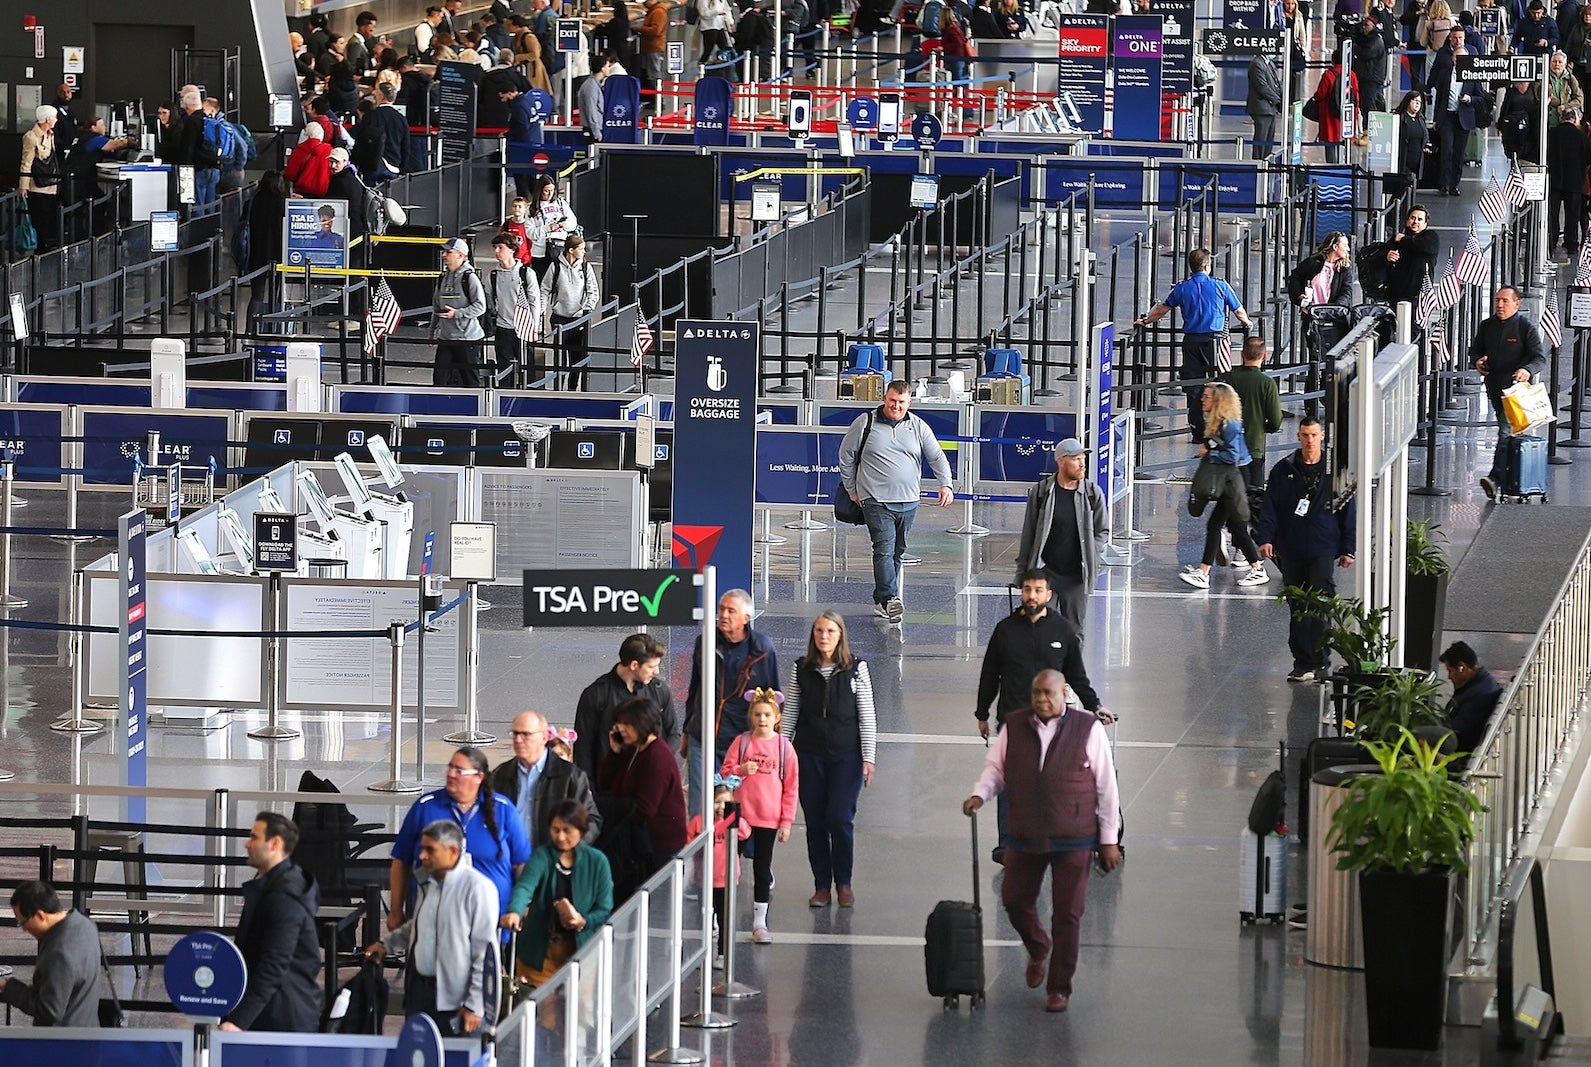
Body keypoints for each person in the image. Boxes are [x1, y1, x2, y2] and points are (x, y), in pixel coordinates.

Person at [962, 670, 1121, 1014]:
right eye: (1036, 694)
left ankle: (1059, 988)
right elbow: (996, 770)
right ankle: (1038, 947)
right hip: (1025, 831)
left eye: (1048, 693)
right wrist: (980, 794)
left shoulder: (1088, 729)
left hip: (1074, 835)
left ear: (1064, 693)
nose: (1041, 700)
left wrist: (1109, 840)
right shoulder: (1014, 725)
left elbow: (1107, 788)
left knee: (1068, 914)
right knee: (1014, 899)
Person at [975, 569, 1112, 861]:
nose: (1032, 596)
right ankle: (1007, 843)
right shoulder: (1005, 630)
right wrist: (982, 713)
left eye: (1038, 590)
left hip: (1053, 723)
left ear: (1049, 596)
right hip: (1013, 719)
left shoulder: (1062, 630)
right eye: (1027, 590)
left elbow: (1076, 674)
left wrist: (1095, 705)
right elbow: (990, 674)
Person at [837, 380, 956, 623]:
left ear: (909, 402)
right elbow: (846, 457)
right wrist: (852, 490)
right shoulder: (865, 423)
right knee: (883, 548)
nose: (896, 406)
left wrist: (946, 484)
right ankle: (891, 598)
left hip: (909, 501)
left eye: (901, 402)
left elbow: (936, 457)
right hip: (875, 500)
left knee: (898, 552)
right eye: (892, 401)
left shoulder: (918, 426)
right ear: (884, 398)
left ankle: (882, 601)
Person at [781, 610, 875, 908]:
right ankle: (821, 885)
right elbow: (790, 715)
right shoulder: (801, 669)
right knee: (816, 822)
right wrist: (782, 753)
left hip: (846, 756)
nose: (824, 637)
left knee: (839, 817)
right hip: (808, 756)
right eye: (819, 631)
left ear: (840, 635)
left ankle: (843, 883)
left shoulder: (856, 668)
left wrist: (869, 758)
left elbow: (867, 716)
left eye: (830, 631)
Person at [370, 821, 498, 1035]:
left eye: (430, 850)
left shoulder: (477, 889)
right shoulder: (429, 882)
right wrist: (387, 945)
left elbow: (484, 954)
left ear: (453, 851)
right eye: (422, 849)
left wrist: (474, 1005)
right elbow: (422, 925)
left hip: (456, 1005)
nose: (422, 856)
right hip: (420, 995)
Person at [1254, 418, 1357, 683]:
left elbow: (1348, 510)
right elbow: (1270, 508)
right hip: (1291, 548)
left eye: (1314, 434)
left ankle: (1320, 660)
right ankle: (1302, 662)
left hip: (1323, 546)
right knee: (1297, 606)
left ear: (1322, 435)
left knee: (1320, 604)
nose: (1309, 440)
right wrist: (1266, 538)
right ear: (1298, 437)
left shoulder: (1335, 471)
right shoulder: (1283, 470)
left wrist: (1348, 548)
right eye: (1304, 435)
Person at [388, 746, 532, 928]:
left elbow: (522, 864)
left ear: (479, 777)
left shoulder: (503, 809)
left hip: (492, 921)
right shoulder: (426, 807)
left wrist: (520, 907)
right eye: (450, 768)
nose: (451, 774)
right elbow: (401, 860)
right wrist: (395, 911)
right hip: (434, 921)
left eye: (459, 770)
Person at [1134, 248, 1254, 444]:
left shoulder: (1182, 288)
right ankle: (1220, 429)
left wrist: (1145, 321)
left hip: (1191, 342)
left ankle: (1198, 431)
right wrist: (1247, 323)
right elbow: (1239, 311)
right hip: (1215, 342)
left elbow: (1162, 310)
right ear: (1207, 265)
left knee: (1194, 387)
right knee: (1221, 382)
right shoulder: (1220, 286)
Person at [218, 813, 321, 1034]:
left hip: (281, 1019)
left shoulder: (284, 897)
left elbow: (273, 966)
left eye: (254, 837)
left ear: (275, 844)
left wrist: (239, 1021)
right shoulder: (280, 883)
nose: (247, 844)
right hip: (275, 1012)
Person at [684, 589, 781, 817]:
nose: (724, 615)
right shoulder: (705, 642)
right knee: (700, 807)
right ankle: (702, 852)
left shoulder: (762, 649)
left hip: (741, 741)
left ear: (746, 618)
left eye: (731, 611)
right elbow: (695, 688)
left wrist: (771, 741)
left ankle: (731, 852)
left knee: (736, 805)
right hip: (703, 736)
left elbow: (774, 698)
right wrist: (687, 730)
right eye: (721, 609)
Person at [500, 800, 614, 986]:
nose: (560, 837)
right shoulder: (541, 856)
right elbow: (525, 886)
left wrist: (583, 921)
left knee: (582, 1010)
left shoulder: (598, 862)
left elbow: (604, 908)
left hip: (583, 952)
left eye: (567, 830)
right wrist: (515, 911)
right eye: (555, 830)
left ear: (582, 830)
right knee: (543, 1011)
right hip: (540, 953)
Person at [720, 689, 799, 944]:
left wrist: (786, 822)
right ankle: (717, 916)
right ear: (750, 717)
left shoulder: (784, 748)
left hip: (768, 817)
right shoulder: (742, 743)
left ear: (776, 718)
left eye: (767, 714)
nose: (762, 719)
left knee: (762, 867)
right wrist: (741, 770)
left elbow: (791, 788)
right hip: (739, 815)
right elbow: (724, 775)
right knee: (728, 866)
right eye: (757, 714)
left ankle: (759, 920)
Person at [595, 697, 690, 901]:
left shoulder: (657, 756)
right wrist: (615, 752)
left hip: (657, 848)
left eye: (625, 724)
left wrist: (612, 811)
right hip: (638, 844)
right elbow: (605, 784)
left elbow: (645, 808)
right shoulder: (634, 750)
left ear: (642, 724)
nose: (620, 729)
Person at [1012, 437, 1107, 634]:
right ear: (1061, 461)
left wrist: (1092, 553)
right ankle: (1047, 665)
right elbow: (1028, 535)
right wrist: (1022, 575)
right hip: (1047, 573)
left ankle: (1069, 666)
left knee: (1075, 632)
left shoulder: (1091, 493)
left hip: (1076, 577)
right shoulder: (1041, 492)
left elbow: (1102, 530)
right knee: (1042, 629)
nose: (1082, 464)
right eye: (1076, 459)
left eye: (1083, 459)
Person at [1179, 383, 1269, 591]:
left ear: (1218, 401)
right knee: (1233, 526)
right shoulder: (1220, 423)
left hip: (1235, 477)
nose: (1203, 399)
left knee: (1220, 525)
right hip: (1231, 477)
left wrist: (1208, 453)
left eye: (1207, 397)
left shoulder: (1229, 425)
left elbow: (1232, 456)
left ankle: (1205, 572)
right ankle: (1253, 567)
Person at [1471, 285, 1548, 500]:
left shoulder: (1525, 328)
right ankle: (1509, 479)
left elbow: (1539, 357)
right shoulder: (1487, 326)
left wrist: (1526, 370)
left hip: (1516, 393)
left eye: (1505, 301)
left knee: (1505, 429)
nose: (1500, 305)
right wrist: (1477, 361)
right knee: (1508, 431)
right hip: (1495, 388)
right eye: (1497, 300)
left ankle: (1495, 479)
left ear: (1517, 304)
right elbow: (1475, 349)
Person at [573, 633, 680, 781]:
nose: (657, 672)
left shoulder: (659, 690)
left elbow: (674, 733)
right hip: (609, 788)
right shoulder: (596, 694)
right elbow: (583, 748)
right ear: (634, 665)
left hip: (651, 783)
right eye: (651, 667)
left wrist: (659, 760)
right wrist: (588, 791)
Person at [491, 710, 602, 846]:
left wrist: (568, 852)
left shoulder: (570, 776)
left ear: (544, 738)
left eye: (525, 734)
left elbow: (591, 821)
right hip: (509, 861)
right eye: (515, 734)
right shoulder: (501, 775)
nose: (518, 740)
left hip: (552, 861)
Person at [0, 881, 102, 1027]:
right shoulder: (85, 924)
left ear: (41, 916)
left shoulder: (59, 953)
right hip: (87, 1031)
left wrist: (8, 986)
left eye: (23, 923)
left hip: (62, 1043)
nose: (24, 929)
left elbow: (49, 1011)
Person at [689, 782, 751, 962]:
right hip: (704, 879)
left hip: (727, 879)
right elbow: (689, 843)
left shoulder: (734, 823)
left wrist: (734, 818)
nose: (720, 807)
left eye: (725, 802)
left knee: (725, 919)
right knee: (705, 918)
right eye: (716, 802)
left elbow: (745, 833)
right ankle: (704, 953)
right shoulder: (699, 821)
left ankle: (723, 953)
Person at [1428, 27, 1491, 197]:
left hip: (1463, 118)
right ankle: (1444, 184)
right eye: (1457, 58)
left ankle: (1455, 184)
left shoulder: (1473, 76)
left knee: (1458, 153)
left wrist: (1469, 99)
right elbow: (1440, 97)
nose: (1460, 60)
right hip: (1447, 116)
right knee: (1446, 150)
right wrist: (1435, 119)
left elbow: (1482, 97)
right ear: (1453, 59)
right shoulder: (1445, 74)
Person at [1225, 337, 1283, 499]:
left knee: (1229, 498)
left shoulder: (1228, 379)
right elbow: (1276, 420)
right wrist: (1265, 428)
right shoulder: (1267, 383)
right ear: (1264, 356)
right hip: (1253, 446)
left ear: (1242, 354)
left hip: (1227, 446)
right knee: (1252, 497)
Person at [541, 234, 600, 388]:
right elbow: (544, 289)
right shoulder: (556, 266)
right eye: (581, 249)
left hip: (579, 319)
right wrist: (542, 308)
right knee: (559, 358)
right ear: (571, 250)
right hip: (559, 318)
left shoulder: (586, 267)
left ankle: (572, 388)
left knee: (577, 358)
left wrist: (587, 309)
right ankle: (558, 388)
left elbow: (593, 291)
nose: (584, 252)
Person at [1288, 232, 1359, 359]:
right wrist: (1299, 295)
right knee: (1315, 352)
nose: (1348, 249)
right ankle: (1314, 377)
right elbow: (1295, 276)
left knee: (1333, 353)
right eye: (1345, 245)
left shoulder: (1345, 268)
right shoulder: (1313, 262)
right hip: (1312, 315)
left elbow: (1347, 291)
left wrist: (1336, 308)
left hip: (1334, 317)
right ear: (1335, 247)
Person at [430, 237, 488, 387]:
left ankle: (474, 409)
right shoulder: (442, 277)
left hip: (468, 339)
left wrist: (457, 313)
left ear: (460, 255)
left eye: (448, 252)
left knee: (470, 380)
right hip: (446, 337)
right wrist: (432, 331)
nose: (443, 255)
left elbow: (480, 307)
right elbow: (436, 306)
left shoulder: (470, 278)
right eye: (443, 252)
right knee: (439, 379)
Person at [488, 233, 543, 386]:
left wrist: (534, 327)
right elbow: (489, 299)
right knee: (505, 371)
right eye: (495, 248)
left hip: (524, 328)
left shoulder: (526, 274)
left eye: (500, 247)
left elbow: (534, 301)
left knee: (528, 370)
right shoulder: (494, 275)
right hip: (503, 328)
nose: (496, 251)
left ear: (512, 249)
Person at [1439, 641, 1505, 753]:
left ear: (1462, 667)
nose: (1449, 677)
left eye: (1450, 671)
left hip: (1459, 752)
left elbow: (1458, 732)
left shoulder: (1479, 694)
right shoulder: (1480, 684)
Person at [19, 105, 63, 254]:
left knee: (50, 216)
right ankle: (41, 249)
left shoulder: (51, 135)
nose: (56, 120)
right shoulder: (31, 137)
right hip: (37, 186)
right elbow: (26, 163)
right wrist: (23, 186)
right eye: (54, 117)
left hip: (51, 184)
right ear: (48, 119)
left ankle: (48, 246)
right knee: (40, 218)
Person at [1549, 107, 1591, 258]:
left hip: (1554, 181)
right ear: (1575, 119)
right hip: (1574, 182)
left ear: (1562, 119)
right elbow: (1588, 160)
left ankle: (1551, 241)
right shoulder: (1582, 137)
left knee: (1553, 214)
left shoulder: (1551, 134)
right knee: (1572, 214)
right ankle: (1571, 244)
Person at [1385, 204, 1439, 317]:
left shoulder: (1431, 237)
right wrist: (1387, 255)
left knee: (1414, 331)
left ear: (1425, 223)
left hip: (1419, 297)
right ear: (1407, 220)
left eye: (1420, 219)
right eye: (1413, 218)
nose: (1415, 222)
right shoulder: (1397, 238)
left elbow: (1424, 247)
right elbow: (1383, 253)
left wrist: (1403, 239)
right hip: (1396, 295)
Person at [1309, 44, 1360, 163]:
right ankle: (1344, 166)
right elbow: (1356, 94)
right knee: (1345, 142)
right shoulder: (1351, 74)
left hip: (1330, 116)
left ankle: (1332, 167)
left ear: (1333, 60)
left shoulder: (1328, 75)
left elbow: (1320, 94)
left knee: (1330, 143)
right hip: (1347, 115)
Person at [527, 175, 579, 279]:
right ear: (540, 191)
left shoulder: (560, 203)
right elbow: (529, 232)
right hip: (540, 252)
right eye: (546, 191)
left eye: (552, 190)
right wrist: (547, 228)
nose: (550, 194)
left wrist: (564, 225)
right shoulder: (532, 208)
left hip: (560, 247)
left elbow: (573, 222)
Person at [1390, 93, 1432, 199]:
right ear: (1408, 101)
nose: (1417, 104)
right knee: (1401, 192)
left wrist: (1427, 146)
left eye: (1419, 102)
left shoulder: (1421, 119)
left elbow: (1425, 136)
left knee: (1409, 194)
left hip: (1417, 164)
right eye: (1415, 100)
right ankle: (1392, 215)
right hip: (1403, 163)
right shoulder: (1399, 117)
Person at [1246, 52, 1283, 160]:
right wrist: (1277, 100)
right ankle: (1258, 165)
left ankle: (1266, 163)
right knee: (1261, 141)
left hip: (1271, 108)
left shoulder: (1269, 64)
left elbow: (1275, 83)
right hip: (1261, 109)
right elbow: (1262, 87)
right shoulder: (1257, 64)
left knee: (1268, 141)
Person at [1351, 13, 1390, 115]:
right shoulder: (1367, 38)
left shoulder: (1376, 40)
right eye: (1363, 25)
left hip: (1372, 79)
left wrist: (1354, 48)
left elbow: (1365, 53)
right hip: (1367, 77)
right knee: (1368, 104)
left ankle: (1368, 129)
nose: (1364, 28)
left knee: (1368, 105)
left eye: (1366, 25)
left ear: (1374, 26)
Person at [283, 123, 333, 197]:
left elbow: (290, 174)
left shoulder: (299, 150)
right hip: (323, 191)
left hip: (302, 192)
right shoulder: (329, 151)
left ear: (307, 135)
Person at [1498, 79, 1542, 162]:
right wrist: (1500, 124)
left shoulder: (1535, 87)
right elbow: (1505, 106)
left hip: (1531, 126)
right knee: (1514, 153)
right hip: (1514, 128)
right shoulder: (1511, 88)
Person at [639, 0, 670, 92]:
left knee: (654, 73)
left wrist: (640, 29)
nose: (643, 4)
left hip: (654, 47)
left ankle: (659, 97)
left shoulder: (658, 12)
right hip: (650, 46)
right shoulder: (654, 11)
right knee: (650, 72)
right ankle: (653, 96)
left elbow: (656, 30)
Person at [1550, 50, 1585, 126]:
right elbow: (1540, 94)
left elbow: (1579, 98)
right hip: (1548, 118)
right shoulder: (1544, 77)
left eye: (1560, 62)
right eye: (1554, 61)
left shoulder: (1571, 78)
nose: (1557, 64)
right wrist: (1560, 104)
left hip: (1567, 119)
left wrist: (1565, 106)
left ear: (1565, 64)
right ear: (1550, 63)